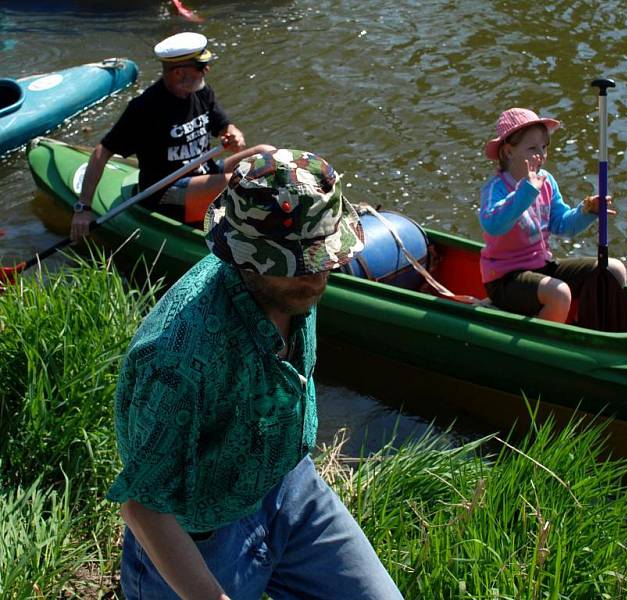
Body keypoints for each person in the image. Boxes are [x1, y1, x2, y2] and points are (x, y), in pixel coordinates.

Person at [106, 148, 404, 600]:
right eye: (293, 262)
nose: (314, 276)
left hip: (289, 486)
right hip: (201, 534)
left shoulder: (297, 287)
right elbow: (143, 505)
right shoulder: (180, 353)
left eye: (322, 256)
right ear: (243, 256)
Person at [70, 31, 272, 241]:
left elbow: (225, 126)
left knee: (268, 153)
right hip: (166, 190)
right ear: (179, 73)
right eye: (201, 67)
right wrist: (83, 207)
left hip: (205, 171)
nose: (207, 70)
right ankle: (264, 234)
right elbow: (102, 152)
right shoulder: (145, 109)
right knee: (242, 182)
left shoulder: (201, 91)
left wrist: (234, 135)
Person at [478, 107, 627, 323]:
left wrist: (587, 210)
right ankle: (545, 345)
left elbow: (562, 224)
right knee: (559, 293)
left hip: (542, 266)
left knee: (613, 270)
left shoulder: (546, 181)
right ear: (509, 152)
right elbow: (493, 225)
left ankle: (592, 332)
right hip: (504, 279)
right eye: (532, 148)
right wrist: (525, 192)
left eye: (544, 147)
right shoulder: (497, 188)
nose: (541, 155)